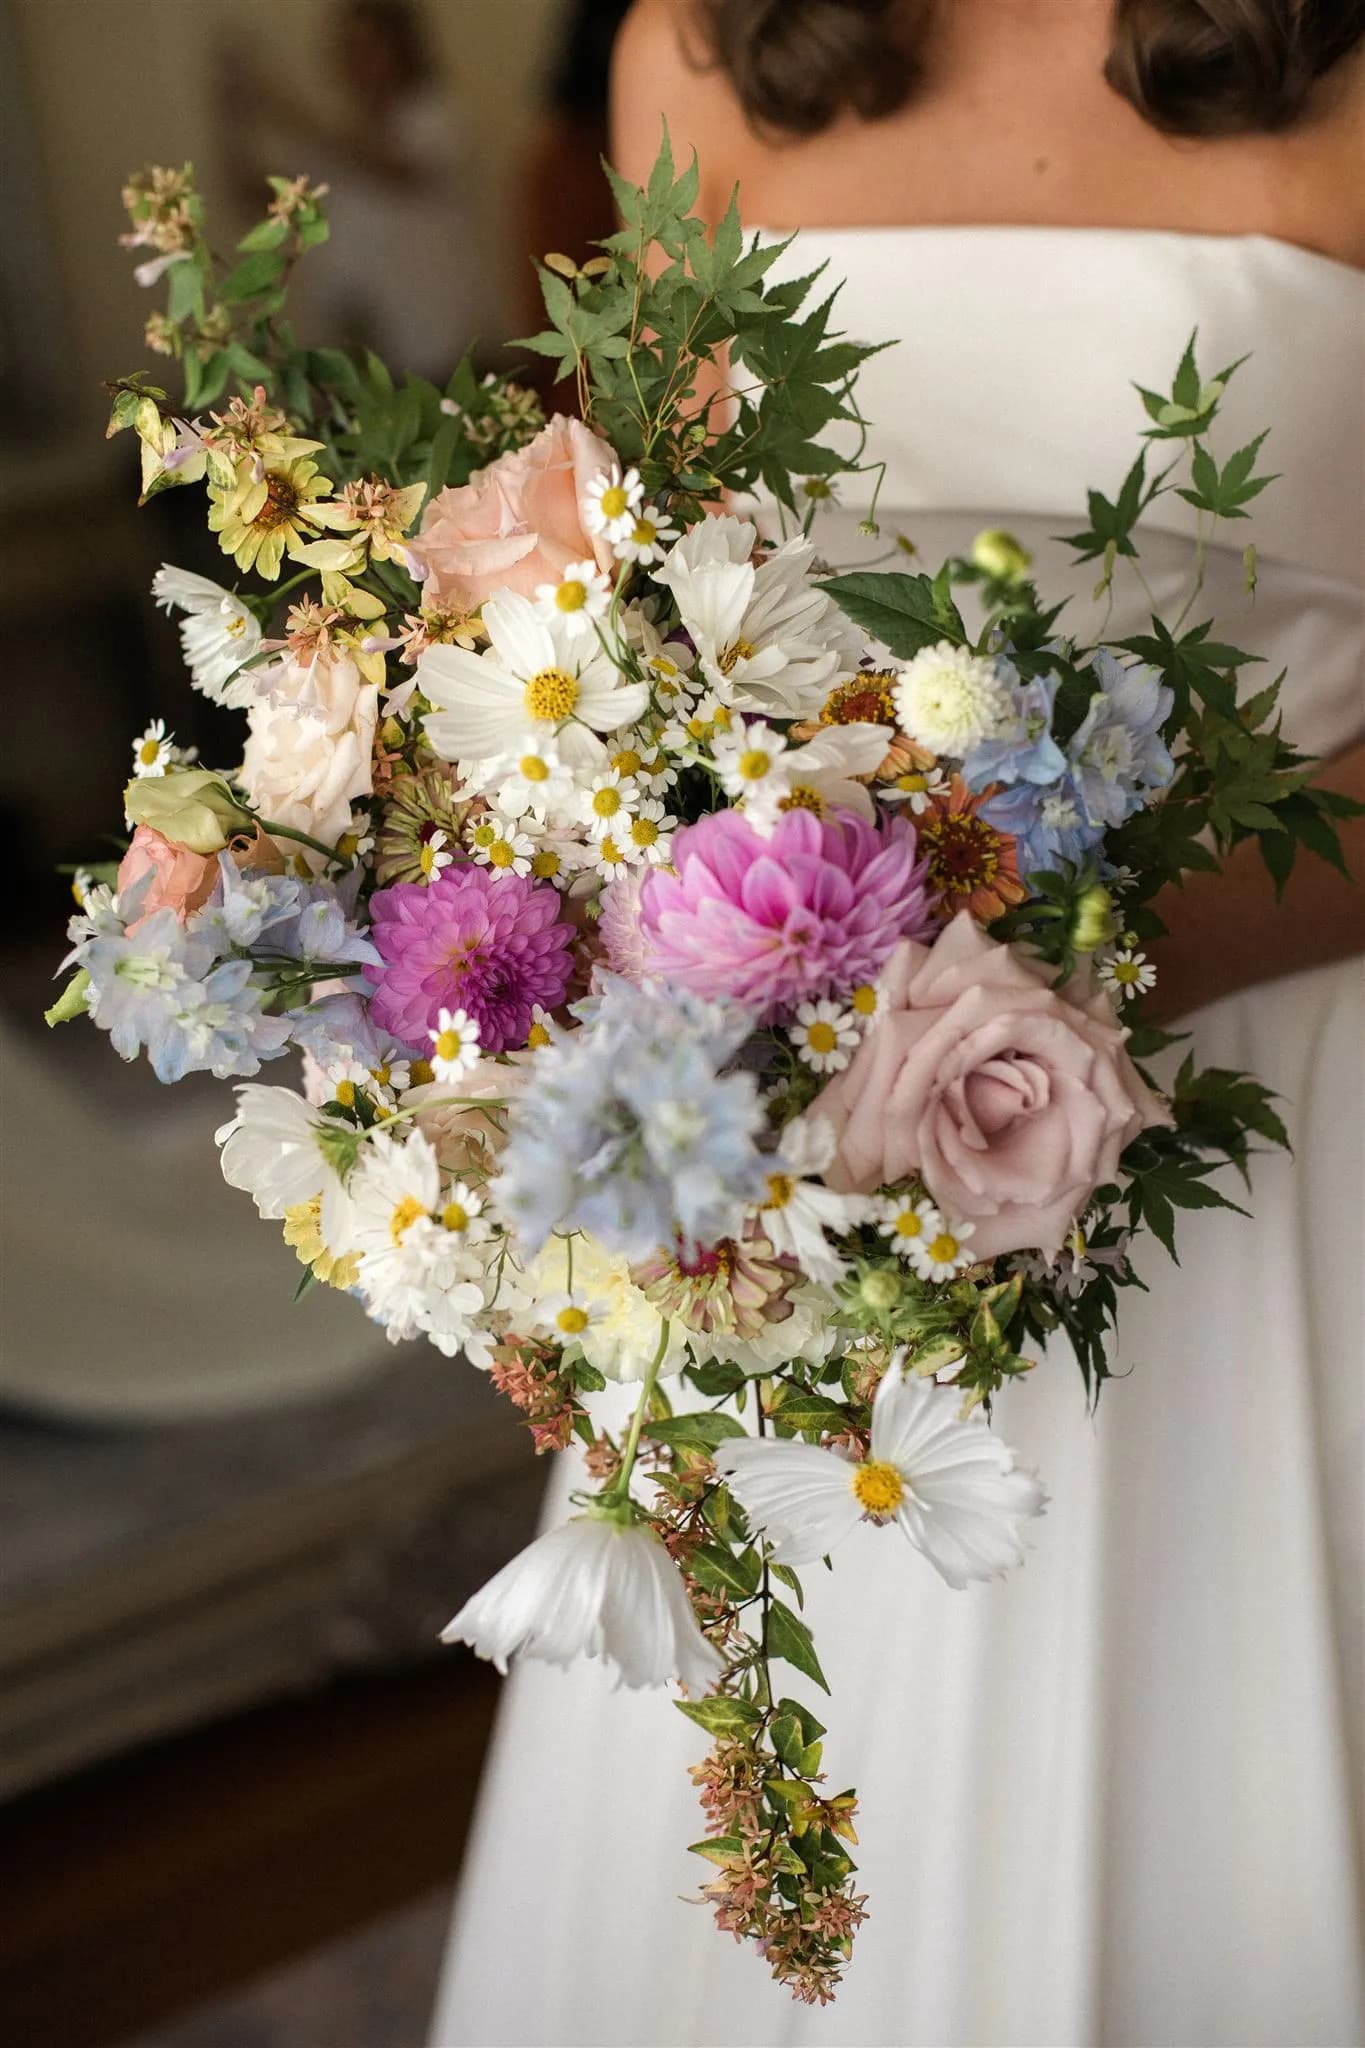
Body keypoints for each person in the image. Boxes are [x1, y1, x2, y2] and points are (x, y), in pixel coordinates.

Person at [429, 5, 1365, 2042]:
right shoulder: (700, 48)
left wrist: (1101, 952)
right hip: (815, 1192)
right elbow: (662, 623)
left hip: (1294, 1129)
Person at [218, 0, 497, 381]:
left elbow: (392, 170)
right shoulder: (329, 142)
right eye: (346, 49)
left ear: (403, 51)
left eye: (368, 48)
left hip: (443, 354)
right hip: (359, 359)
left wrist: (284, 105)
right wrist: (234, 121)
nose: (355, 62)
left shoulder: (433, 121)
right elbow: (257, 204)